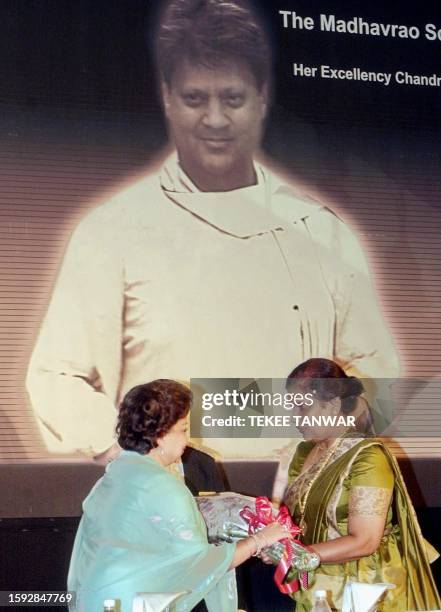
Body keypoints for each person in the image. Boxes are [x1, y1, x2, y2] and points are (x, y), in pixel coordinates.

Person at [26, 0, 398, 460]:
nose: (216, 119)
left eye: (233, 98)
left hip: (299, 497)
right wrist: (137, 454)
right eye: (195, 98)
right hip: (170, 500)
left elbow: (379, 375)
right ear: (167, 97)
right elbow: (54, 376)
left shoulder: (320, 231)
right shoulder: (112, 231)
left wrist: (318, 452)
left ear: (262, 97)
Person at [68, 379, 287, 611]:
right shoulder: (161, 487)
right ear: (161, 434)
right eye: (183, 430)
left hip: (97, 598)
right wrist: (260, 539)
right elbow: (200, 565)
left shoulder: (113, 478)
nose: (186, 440)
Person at [279, 358, 440, 611]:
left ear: (331, 406)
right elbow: (299, 522)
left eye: (302, 408)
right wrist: (276, 546)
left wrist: (302, 555)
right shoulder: (303, 454)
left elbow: (365, 540)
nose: (295, 418)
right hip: (315, 580)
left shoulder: (368, 457)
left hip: (363, 587)